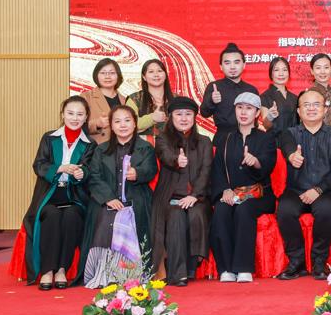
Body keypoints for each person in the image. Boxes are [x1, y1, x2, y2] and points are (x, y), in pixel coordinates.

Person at [22, 96, 96, 290]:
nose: (75, 118)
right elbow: (39, 165)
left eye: (80, 114)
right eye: (70, 113)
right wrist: (60, 168)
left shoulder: (90, 143)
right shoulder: (49, 138)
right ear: (62, 114)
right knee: (52, 216)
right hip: (49, 195)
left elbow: (89, 169)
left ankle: (62, 269)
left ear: (86, 117)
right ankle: (47, 271)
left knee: (72, 216)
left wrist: (81, 173)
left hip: (75, 196)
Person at [277, 88, 331, 280]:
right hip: (296, 190)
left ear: (325, 110)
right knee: (285, 210)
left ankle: (319, 261)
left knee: (325, 210)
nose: (311, 109)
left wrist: (319, 189)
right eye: (306, 105)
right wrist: (292, 156)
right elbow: (286, 145)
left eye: (316, 104)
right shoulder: (289, 134)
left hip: (327, 191)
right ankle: (296, 262)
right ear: (298, 111)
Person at [81, 106, 157, 288]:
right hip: (107, 201)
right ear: (111, 126)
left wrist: (137, 173)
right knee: (106, 218)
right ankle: (105, 274)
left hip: (136, 199)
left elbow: (151, 169)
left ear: (135, 124)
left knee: (133, 218)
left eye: (127, 120)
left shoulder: (145, 148)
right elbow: (94, 176)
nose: (123, 125)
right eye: (117, 121)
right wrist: (108, 198)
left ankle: (133, 274)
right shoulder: (101, 149)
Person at [209, 92, 277, 284]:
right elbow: (217, 169)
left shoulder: (266, 138)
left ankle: (244, 268)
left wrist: (256, 162)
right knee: (221, 210)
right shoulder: (225, 139)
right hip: (231, 193)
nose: (244, 112)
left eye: (249, 108)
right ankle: (225, 269)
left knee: (244, 209)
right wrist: (224, 189)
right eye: (240, 107)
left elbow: (268, 164)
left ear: (257, 113)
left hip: (258, 194)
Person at [151, 97, 213, 286]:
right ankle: (177, 274)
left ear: (194, 117)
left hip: (197, 197)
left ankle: (191, 268)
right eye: (179, 114)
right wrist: (176, 160)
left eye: (188, 114)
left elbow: (206, 171)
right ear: (171, 117)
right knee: (176, 215)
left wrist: (194, 195)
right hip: (170, 196)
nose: (184, 118)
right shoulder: (162, 138)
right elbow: (165, 154)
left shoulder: (204, 141)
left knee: (196, 213)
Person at [200, 43, 258, 148]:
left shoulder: (251, 90)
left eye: (236, 62)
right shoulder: (214, 87)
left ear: (244, 65)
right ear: (221, 67)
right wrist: (212, 101)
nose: (232, 67)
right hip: (223, 139)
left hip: (248, 138)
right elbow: (204, 113)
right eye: (227, 63)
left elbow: (256, 119)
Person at [125, 59, 175, 142]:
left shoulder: (177, 99)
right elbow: (127, 124)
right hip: (142, 147)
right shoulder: (134, 99)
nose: (156, 75)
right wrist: (152, 118)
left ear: (165, 75)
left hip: (172, 146)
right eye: (151, 72)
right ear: (144, 77)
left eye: (159, 71)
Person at [81, 58, 127, 144]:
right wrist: (97, 124)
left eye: (112, 73)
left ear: (118, 76)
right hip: (97, 148)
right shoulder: (86, 97)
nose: (107, 76)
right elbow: (75, 125)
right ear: (96, 75)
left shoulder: (125, 100)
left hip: (122, 148)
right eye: (103, 73)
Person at [259, 56, 298, 138]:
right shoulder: (264, 97)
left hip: (294, 140)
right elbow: (266, 125)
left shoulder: (295, 98)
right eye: (276, 70)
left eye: (284, 70)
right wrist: (270, 116)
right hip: (274, 141)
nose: (281, 74)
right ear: (271, 73)